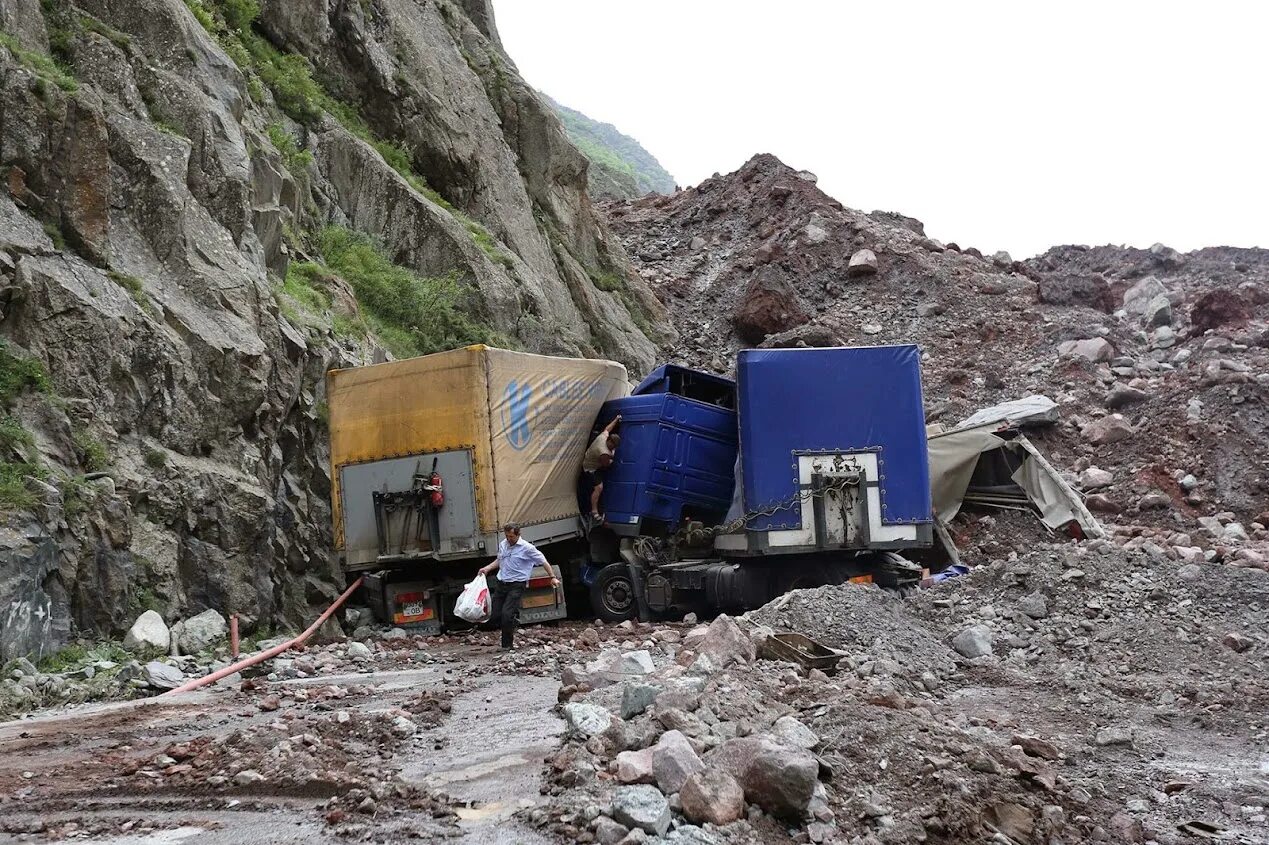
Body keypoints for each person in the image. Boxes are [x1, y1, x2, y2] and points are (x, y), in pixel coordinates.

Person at [477, 523, 559, 650]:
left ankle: (507, 645)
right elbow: (500, 560)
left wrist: (552, 577)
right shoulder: (503, 544)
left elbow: (543, 561)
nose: (509, 539)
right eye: (507, 536)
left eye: (511, 536)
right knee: (493, 614)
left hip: (516, 584)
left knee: (506, 614)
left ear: (518, 535)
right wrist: (487, 568)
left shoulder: (527, 548)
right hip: (502, 583)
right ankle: (513, 620)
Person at [580, 415, 621, 523]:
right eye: (613, 446)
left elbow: (608, 429)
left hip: (591, 459)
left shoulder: (603, 437)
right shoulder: (603, 451)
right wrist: (613, 457)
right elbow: (606, 464)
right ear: (609, 441)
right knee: (599, 487)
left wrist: (616, 419)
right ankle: (594, 511)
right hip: (590, 468)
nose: (614, 448)